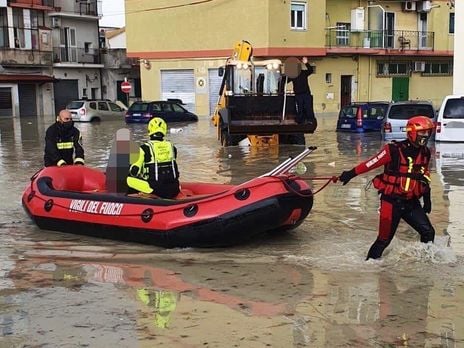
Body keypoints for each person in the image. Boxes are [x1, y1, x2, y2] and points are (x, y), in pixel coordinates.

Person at [339, 116, 435, 260]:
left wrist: (427, 199)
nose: (425, 136)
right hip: (391, 202)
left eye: (428, 132)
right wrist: (350, 174)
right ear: (412, 132)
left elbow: (424, 176)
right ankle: (370, 267)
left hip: (411, 202)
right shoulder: (393, 150)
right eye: (422, 132)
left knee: (428, 232)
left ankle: (424, 265)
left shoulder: (426, 153)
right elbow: (370, 164)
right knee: (384, 240)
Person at [126, 117, 180, 198]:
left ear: (149, 130)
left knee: (125, 180)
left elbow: (134, 172)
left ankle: (126, 199)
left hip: (156, 189)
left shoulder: (144, 148)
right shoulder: (172, 147)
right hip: (174, 189)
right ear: (164, 130)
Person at [287, 56, 317, 126]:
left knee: (308, 107)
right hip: (298, 94)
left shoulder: (303, 73)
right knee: (300, 108)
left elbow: (310, 70)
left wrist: (306, 63)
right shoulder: (292, 75)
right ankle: (300, 121)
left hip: (306, 93)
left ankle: (310, 120)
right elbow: (285, 80)